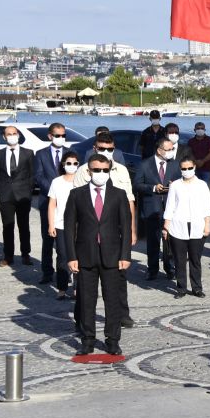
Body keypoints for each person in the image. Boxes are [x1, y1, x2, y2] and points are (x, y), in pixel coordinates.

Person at [65, 153, 132, 356]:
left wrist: (125, 255)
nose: (101, 174)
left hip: (112, 256)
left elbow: (126, 227)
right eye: (97, 170)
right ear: (89, 171)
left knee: (112, 300)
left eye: (105, 170)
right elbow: (69, 228)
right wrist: (71, 256)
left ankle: (112, 339)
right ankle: (87, 339)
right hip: (85, 256)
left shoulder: (119, 194)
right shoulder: (77, 194)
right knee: (86, 300)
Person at [73, 132, 137, 329]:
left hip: (114, 229)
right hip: (89, 231)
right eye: (102, 149)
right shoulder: (84, 171)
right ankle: (81, 318)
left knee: (119, 276)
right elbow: (75, 206)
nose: (107, 152)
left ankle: (122, 314)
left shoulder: (121, 171)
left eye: (110, 149)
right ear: (94, 148)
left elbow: (130, 201)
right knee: (85, 282)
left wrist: (132, 229)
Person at [163, 155, 210, 299]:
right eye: (184, 169)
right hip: (178, 226)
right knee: (179, 259)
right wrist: (166, 226)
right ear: (180, 169)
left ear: (195, 167)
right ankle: (181, 288)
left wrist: (207, 225)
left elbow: (206, 206)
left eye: (190, 168)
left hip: (197, 226)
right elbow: (170, 206)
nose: (187, 170)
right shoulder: (175, 185)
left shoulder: (202, 185)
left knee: (195, 260)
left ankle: (197, 287)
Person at [133, 138, 181, 281]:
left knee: (169, 241)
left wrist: (175, 184)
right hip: (151, 208)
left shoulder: (175, 164)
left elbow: (182, 182)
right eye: (168, 150)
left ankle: (170, 268)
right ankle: (152, 269)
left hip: (170, 209)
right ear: (159, 150)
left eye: (172, 149)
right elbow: (136, 185)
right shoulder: (145, 164)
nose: (171, 152)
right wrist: (153, 188)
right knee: (153, 241)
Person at [0, 125, 34, 267]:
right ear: (4, 137)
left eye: (14, 133)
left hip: (23, 196)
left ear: (19, 135)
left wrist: (28, 189)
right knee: (7, 227)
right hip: (5, 196)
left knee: (24, 226)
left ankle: (25, 254)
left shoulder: (28, 153)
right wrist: (4, 188)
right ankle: (8, 256)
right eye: (8, 134)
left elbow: (32, 175)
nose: (12, 136)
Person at [33, 123, 69, 285]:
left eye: (63, 135)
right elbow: (38, 176)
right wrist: (55, 190)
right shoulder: (41, 154)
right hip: (47, 201)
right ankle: (47, 272)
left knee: (67, 239)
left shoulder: (70, 154)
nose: (61, 138)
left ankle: (66, 271)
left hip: (68, 203)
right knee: (48, 238)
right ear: (50, 136)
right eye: (57, 135)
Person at [46, 151, 81, 300]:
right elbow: (52, 204)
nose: (71, 166)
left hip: (80, 225)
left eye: (75, 163)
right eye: (69, 163)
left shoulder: (82, 181)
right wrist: (51, 225)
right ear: (63, 164)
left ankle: (77, 288)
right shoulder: (56, 182)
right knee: (62, 256)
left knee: (79, 257)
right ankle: (61, 288)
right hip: (60, 225)